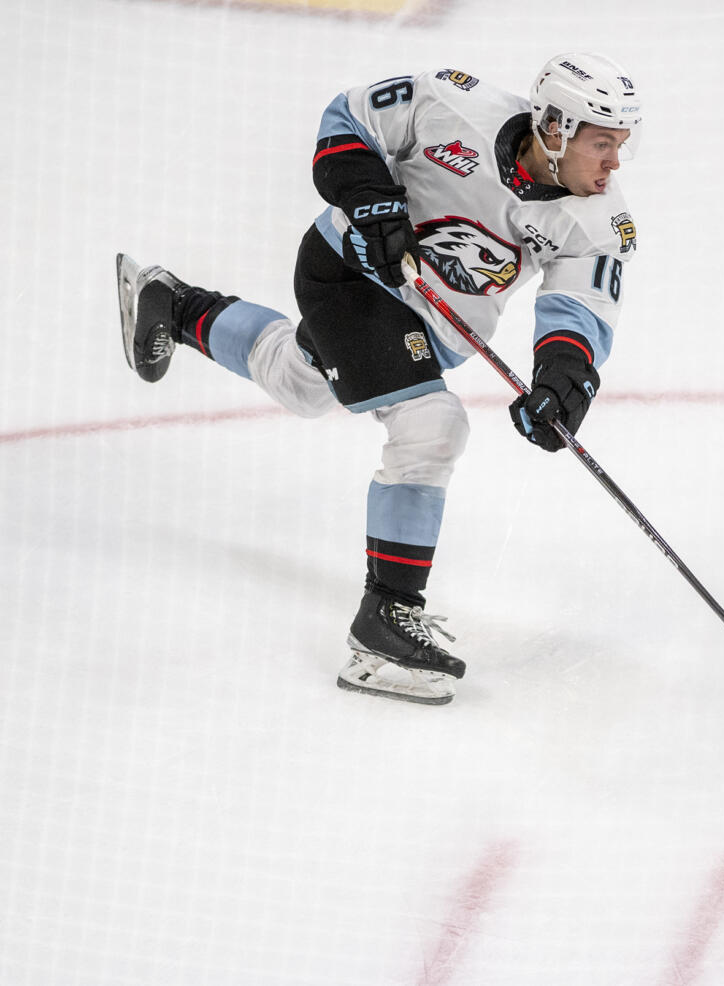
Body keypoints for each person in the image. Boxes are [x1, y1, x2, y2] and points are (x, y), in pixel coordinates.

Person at [115, 53, 642, 705]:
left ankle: (175, 304)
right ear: (555, 127)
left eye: (622, 144)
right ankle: (383, 624)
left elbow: (581, 307)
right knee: (432, 426)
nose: (615, 163)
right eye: (603, 143)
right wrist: (370, 198)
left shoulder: (598, 222)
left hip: (438, 330)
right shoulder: (453, 105)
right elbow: (347, 120)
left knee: (304, 385)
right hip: (347, 274)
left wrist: (563, 379)